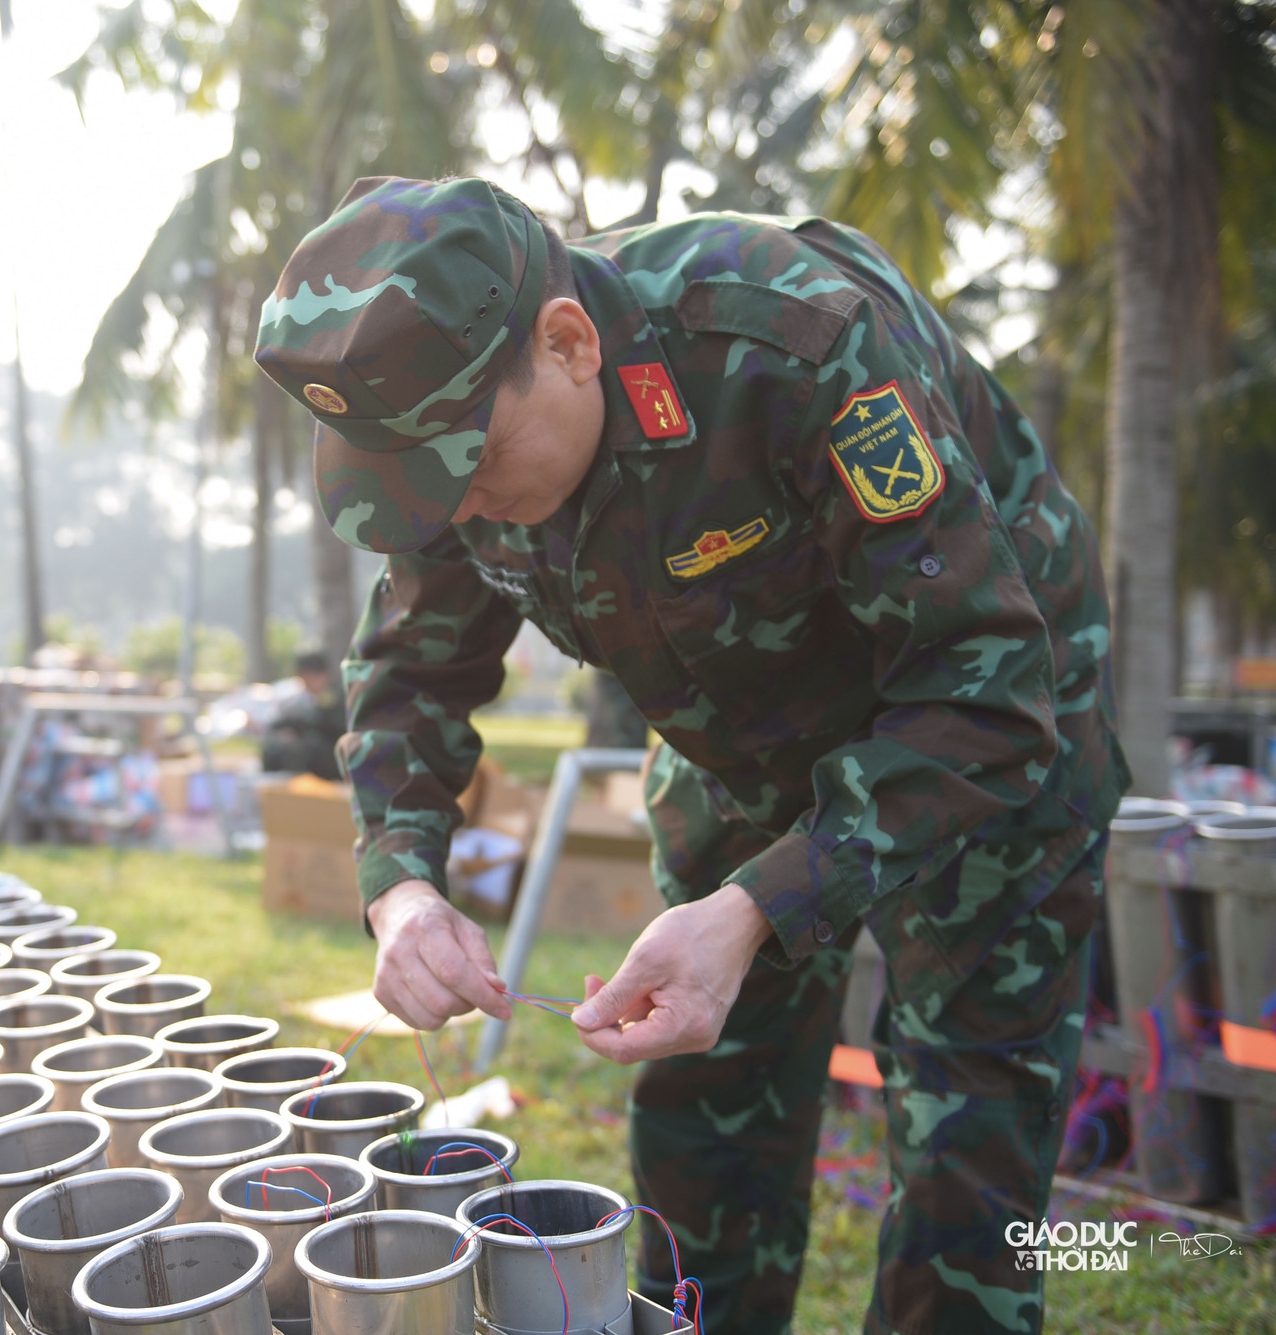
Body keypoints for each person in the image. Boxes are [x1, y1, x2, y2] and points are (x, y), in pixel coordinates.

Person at [253, 176, 1127, 1334]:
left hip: (981, 727)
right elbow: (409, 674)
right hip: (736, 745)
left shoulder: (786, 341)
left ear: (568, 345)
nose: (456, 510)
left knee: (967, 1141)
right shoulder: (446, 432)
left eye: (468, 463)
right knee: (703, 1108)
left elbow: (987, 684)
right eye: (420, 484)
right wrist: (401, 889)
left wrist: (761, 905)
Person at [259, 649, 347, 780]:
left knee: (307, 748)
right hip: (326, 750)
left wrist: (294, 726)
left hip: (335, 755)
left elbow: (322, 722)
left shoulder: (335, 695)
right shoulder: (318, 696)